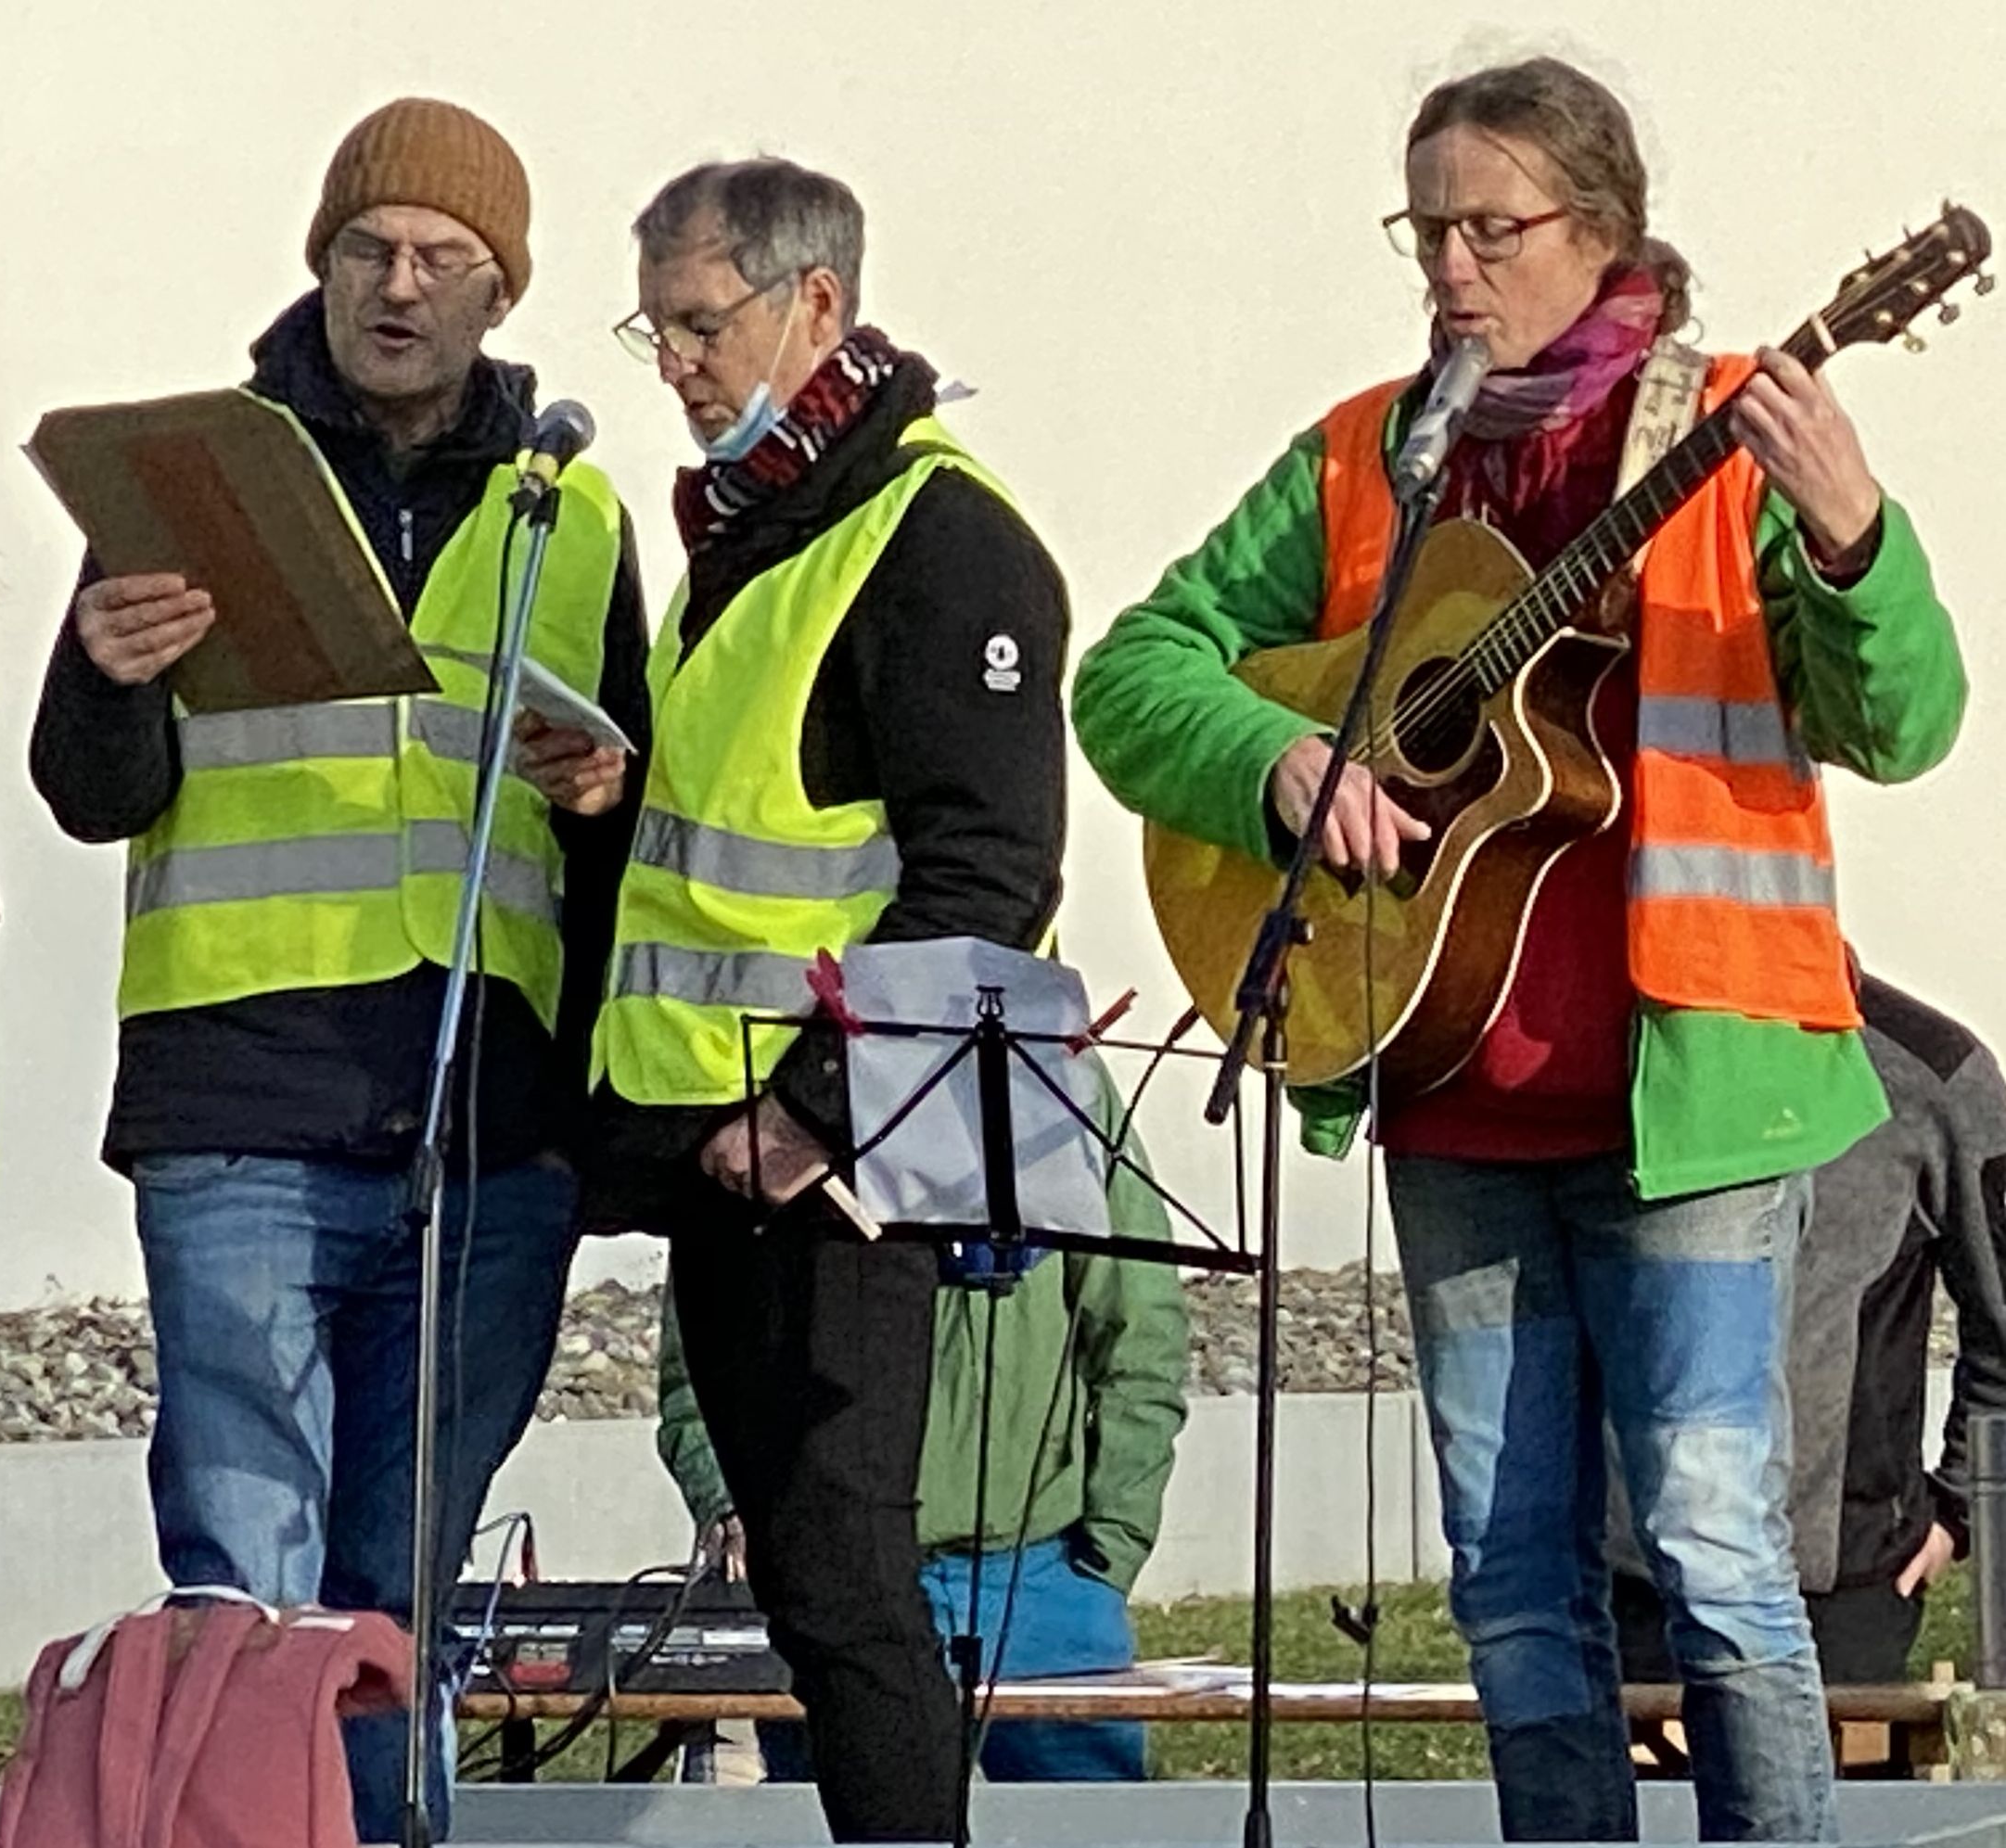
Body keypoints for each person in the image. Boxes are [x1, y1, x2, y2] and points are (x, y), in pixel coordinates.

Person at [1073, 56, 1965, 1844]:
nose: (1453, 267)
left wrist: (1858, 533)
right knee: (1503, 1571)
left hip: (1694, 1089)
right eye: (1430, 229)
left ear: (1605, 229)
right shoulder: (1365, 455)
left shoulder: (1728, 441)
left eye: (1496, 227)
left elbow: (1908, 721)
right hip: (1445, 1082)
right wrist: (1280, 757)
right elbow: (1131, 669)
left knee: (1717, 1551)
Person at [27, 96, 646, 1842]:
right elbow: (91, 793)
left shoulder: (575, 514)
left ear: (500, 294)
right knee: (244, 1570)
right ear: (319, 262)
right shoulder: (191, 477)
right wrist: (105, 670)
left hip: (486, 1125)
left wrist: (605, 795)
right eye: (368, 248)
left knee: (404, 1590)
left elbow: (627, 833)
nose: (399, 284)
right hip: (242, 1097)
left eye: (445, 259)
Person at [586, 156, 1072, 1842]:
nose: (679, 364)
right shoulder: (761, 523)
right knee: (807, 1582)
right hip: (707, 1144)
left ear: (818, 306)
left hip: (835, 1169)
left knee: (849, 1585)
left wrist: (810, 1111)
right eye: (654, 330)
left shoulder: (937, 538)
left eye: (703, 324)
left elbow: (985, 875)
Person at [654, 1140, 1190, 1786]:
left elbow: (1141, 1338)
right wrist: (734, 1504)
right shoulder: (766, 1090)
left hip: (1042, 1581)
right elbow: (698, 1368)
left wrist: (1108, 1551)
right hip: (834, 1580)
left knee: (1083, 1828)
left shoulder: (1065, 1085)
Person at [1611, 970, 2006, 1709]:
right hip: (1628, 1573)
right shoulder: (1616, 1039)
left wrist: (1956, 1509)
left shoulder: (1932, 1071)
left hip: (1843, 1582)